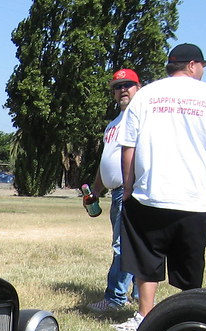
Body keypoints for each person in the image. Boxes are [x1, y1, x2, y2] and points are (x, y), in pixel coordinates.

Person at [114, 43, 206, 331]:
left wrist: (130, 188)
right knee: (190, 266)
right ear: (194, 65)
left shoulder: (145, 95)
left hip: (150, 195)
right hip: (193, 200)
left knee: (147, 262)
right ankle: (188, 319)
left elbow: (128, 149)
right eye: (202, 68)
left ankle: (145, 317)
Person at [86, 68, 141, 313]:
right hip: (116, 192)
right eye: (117, 87)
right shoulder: (114, 124)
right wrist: (96, 192)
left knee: (123, 246)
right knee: (131, 245)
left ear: (138, 87)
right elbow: (106, 161)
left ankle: (116, 298)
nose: (122, 90)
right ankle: (137, 294)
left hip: (132, 191)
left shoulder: (141, 117)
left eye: (128, 85)